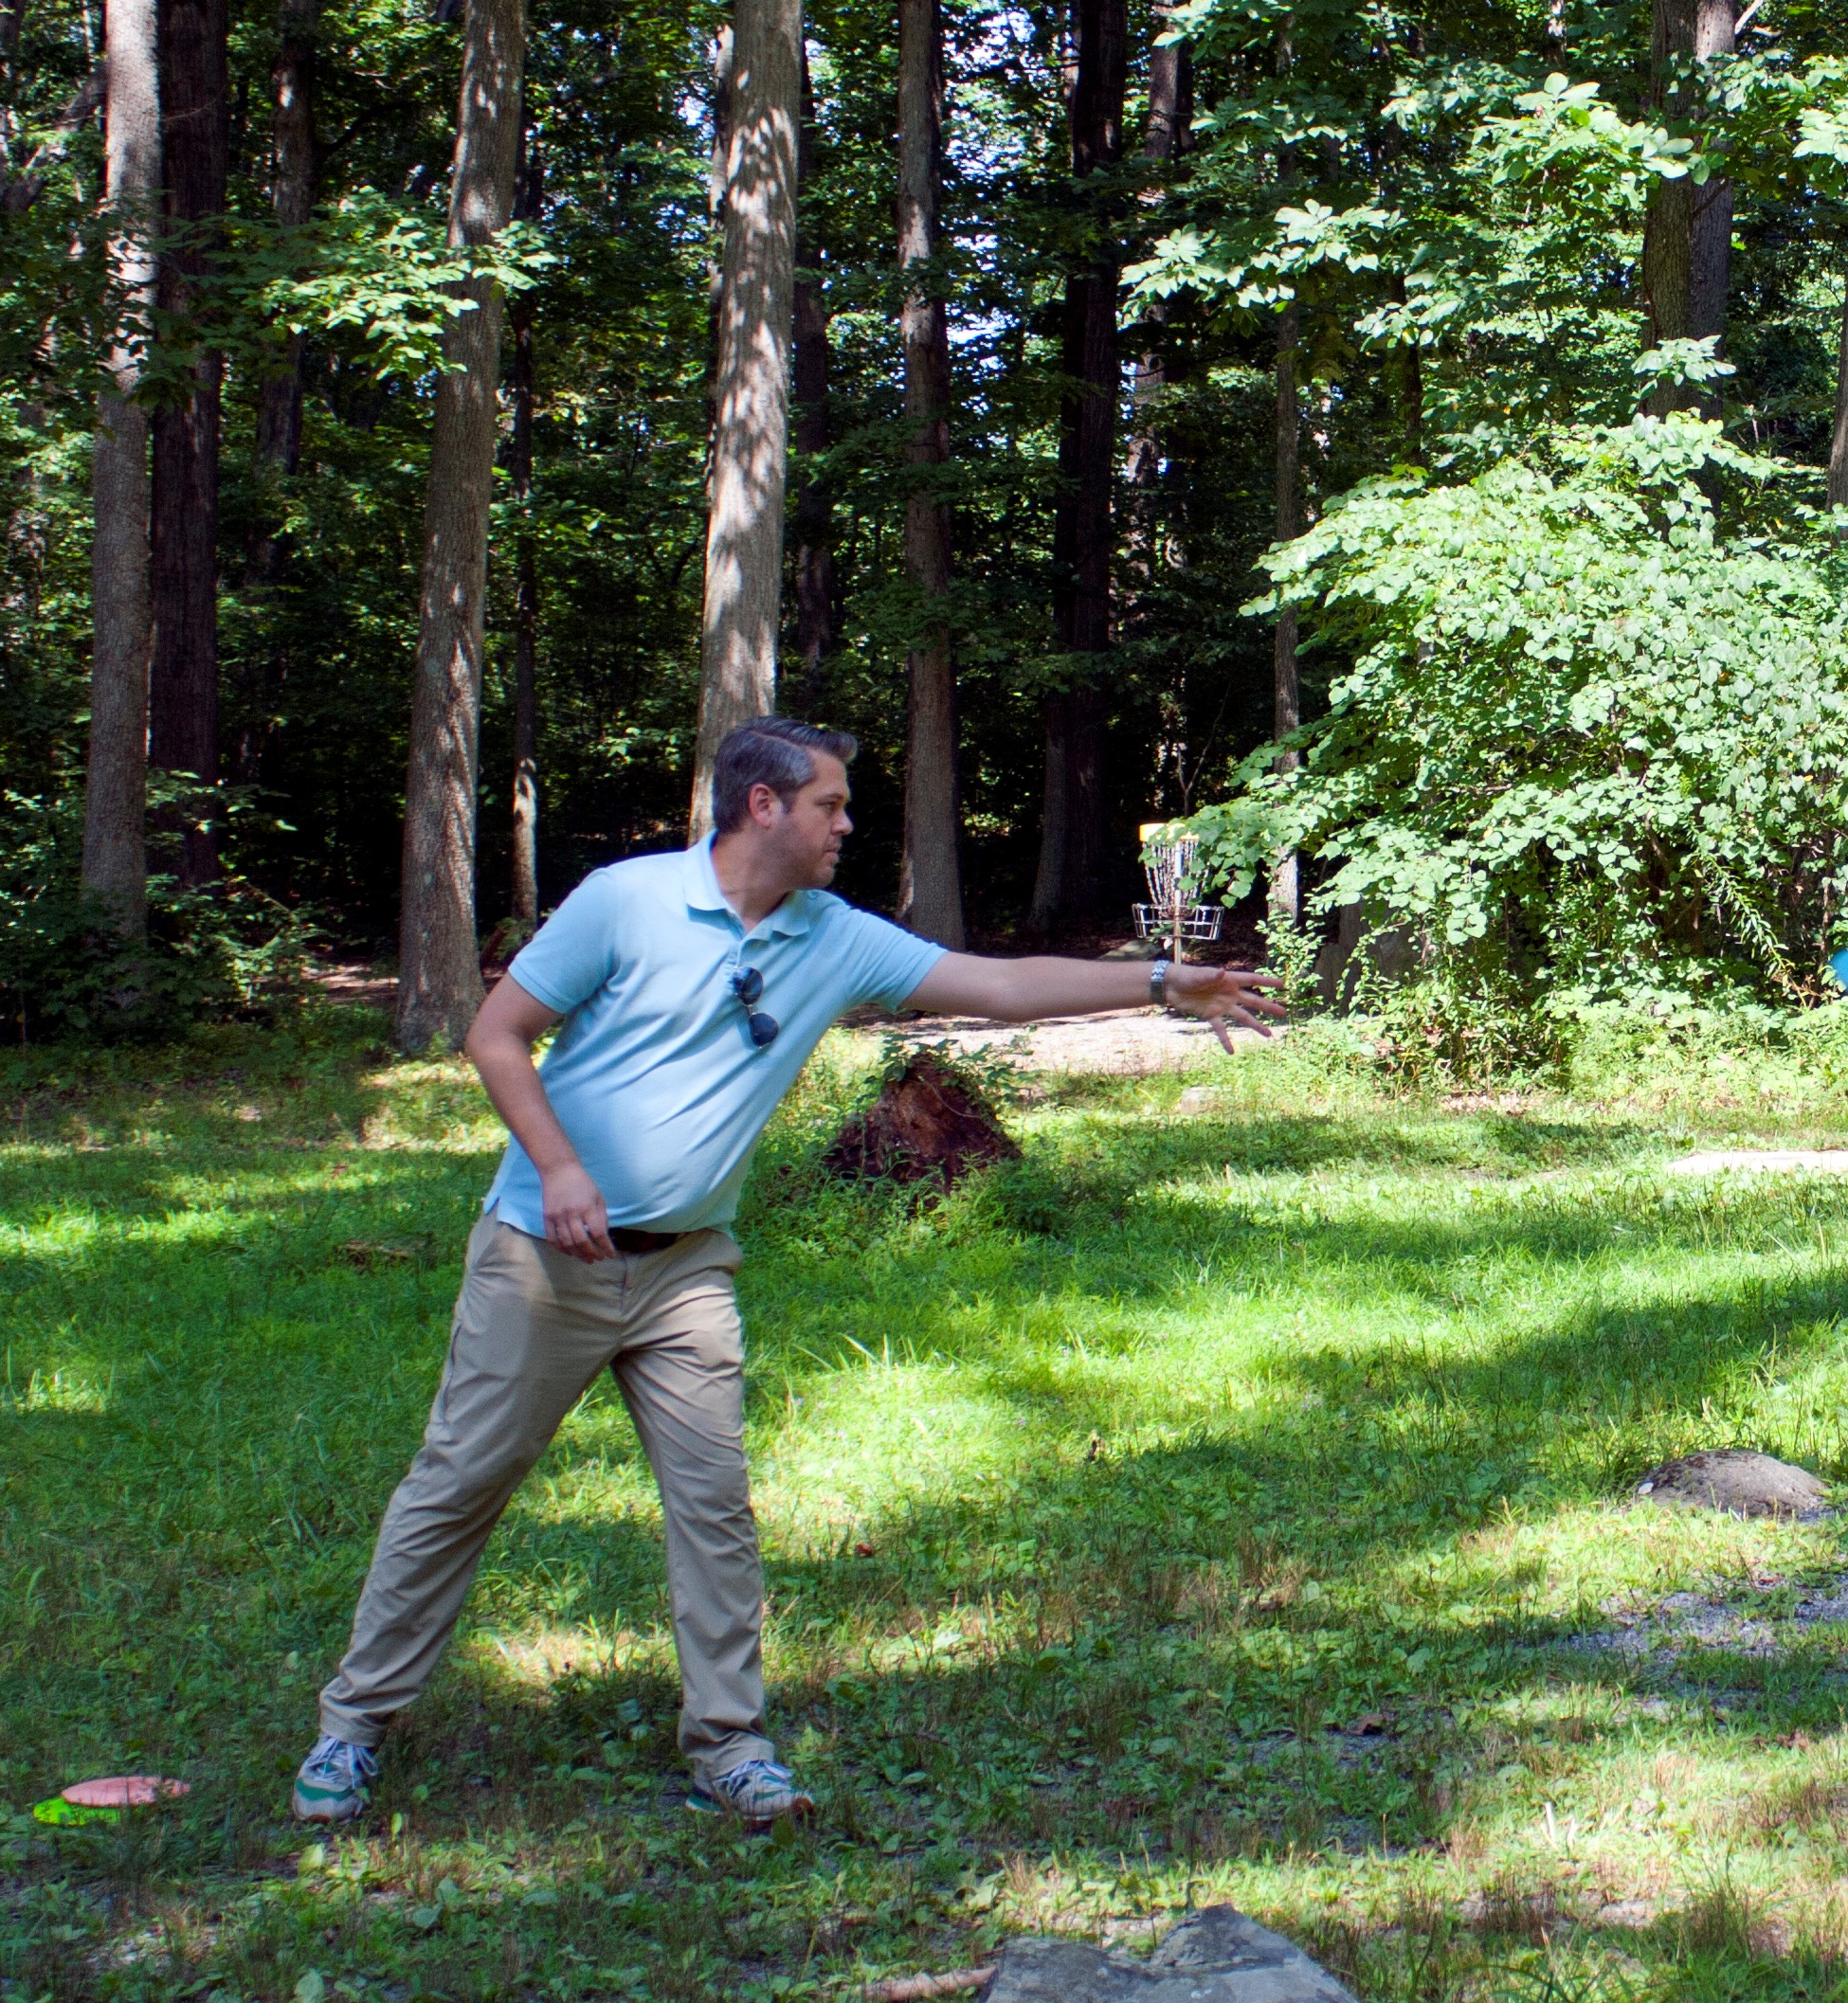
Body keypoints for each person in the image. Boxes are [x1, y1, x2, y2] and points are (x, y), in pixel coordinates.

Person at [293, 718, 1282, 1826]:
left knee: (715, 1510)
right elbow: (496, 1034)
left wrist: (1158, 982)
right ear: (762, 805)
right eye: (830, 804)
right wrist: (560, 1168)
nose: (846, 824)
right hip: (545, 1257)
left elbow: (997, 987)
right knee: (460, 1484)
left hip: (688, 1271)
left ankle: (729, 1744)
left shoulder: (833, 936)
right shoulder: (627, 902)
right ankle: (352, 1728)